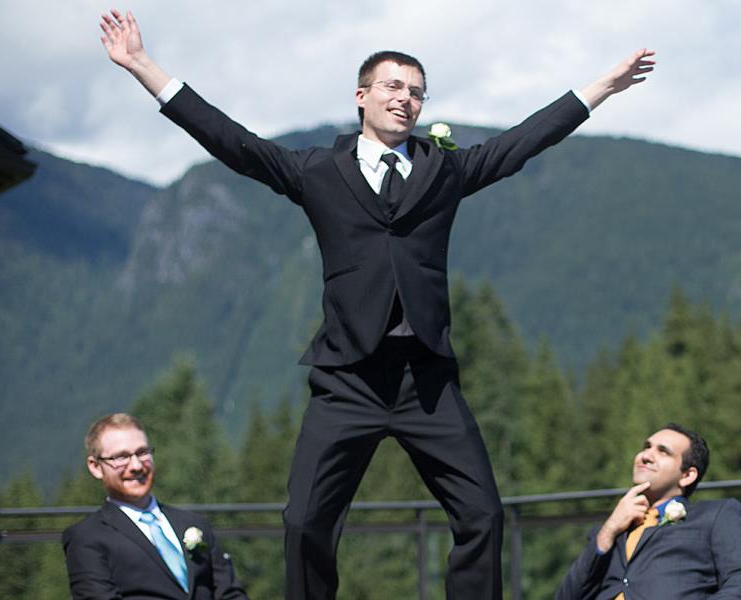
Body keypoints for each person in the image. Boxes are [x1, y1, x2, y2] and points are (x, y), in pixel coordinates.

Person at [97, 10, 655, 600]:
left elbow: (523, 141)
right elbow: (231, 141)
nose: (405, 99)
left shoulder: (444, 169)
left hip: (426, 381)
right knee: (304, 523)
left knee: (483, 515)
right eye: (393, 86)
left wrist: (602, 87)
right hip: (347, 379)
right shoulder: (316, 171)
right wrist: (142, 66)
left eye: (416, 92)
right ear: (361, 96)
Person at [555, 424, 741, 600]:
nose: (646, 455)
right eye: (646, 447)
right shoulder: (609, 533)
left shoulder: (715, 516)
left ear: (687, 475)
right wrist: (608, 530)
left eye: (663, 451)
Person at [63, 413, 248, 600]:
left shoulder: (194, 523)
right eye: (121, 457)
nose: (136, 466)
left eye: (142, 453)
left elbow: (230, 593)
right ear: (95, 467)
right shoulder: (86, 537)